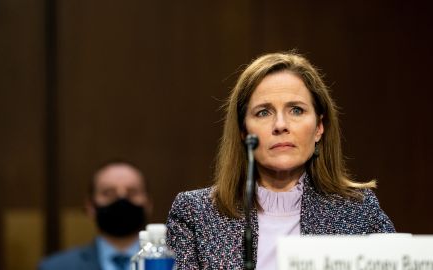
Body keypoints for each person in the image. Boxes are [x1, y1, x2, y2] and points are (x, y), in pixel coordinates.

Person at [166, 52, 395, 269]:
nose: (280, 125)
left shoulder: (359, 211)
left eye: (296, 110)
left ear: (319, 127)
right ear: (244, 132)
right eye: (264, 112)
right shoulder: (195, 214)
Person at [38, 160, 152, 270]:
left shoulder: (167, 262)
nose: (121, 199)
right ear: (90, 206)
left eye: (132, 192)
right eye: (108, 192)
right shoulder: (56, 267)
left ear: (148, 204)